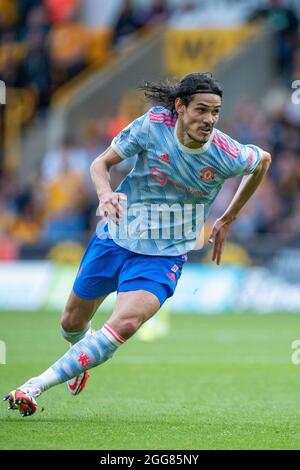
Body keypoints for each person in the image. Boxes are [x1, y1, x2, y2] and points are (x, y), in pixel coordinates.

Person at [4, 72, 271, 417]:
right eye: (201, 110)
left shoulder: (225, 152)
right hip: (115, 236)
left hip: (164, 255)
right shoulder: (152, 126)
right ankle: (79, 359)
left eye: (215, 112)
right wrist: (105, 194)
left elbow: (262, 160)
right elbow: (100, 164)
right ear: (180, 106)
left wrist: (228, 217)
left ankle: (33, 386)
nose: (209, 120)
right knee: (71, 323)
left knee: (126, 324)